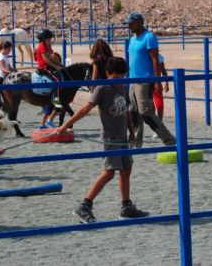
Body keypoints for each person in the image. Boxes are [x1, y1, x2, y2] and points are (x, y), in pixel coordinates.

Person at [57, 57, 149, 223]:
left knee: (126, 169)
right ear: (108, 74)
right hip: (110, 137)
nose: (118, 81)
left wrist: (132, 132)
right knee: (109, 172)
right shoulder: (101, 88)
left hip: (122, 136)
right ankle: (84, 205)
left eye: (122, 77)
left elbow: (125, 111)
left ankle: (126, 207)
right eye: (116, 78)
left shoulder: (122, 87)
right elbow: (86, 108)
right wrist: (66, 125)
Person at [125, 12, 176, 147]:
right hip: (132, 80)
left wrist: (157, 81)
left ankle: (168, 139)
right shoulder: (132, 39)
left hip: (146, 80)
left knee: (145, 112)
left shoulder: (149, 37)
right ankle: (136, 142)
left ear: (140, 22)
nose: (129, 26)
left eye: (131, 23)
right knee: (134, 112)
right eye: (128, 24)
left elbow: (155, 60)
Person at [34, 29, 64, 108]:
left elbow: (52, 57)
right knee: (56, 81)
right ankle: (56, 101)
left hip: (49, 67)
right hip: (44, 68)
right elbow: (46, 60)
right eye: (48, 40)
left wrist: (60, 64)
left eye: (50, 39)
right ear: (43, 40)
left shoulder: (48, 47)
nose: (50, 41)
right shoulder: (42, 47)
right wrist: (56, 66)